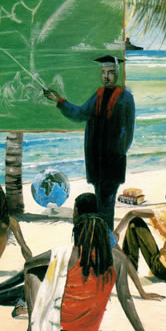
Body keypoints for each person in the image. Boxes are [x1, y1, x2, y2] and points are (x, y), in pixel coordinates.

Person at [0, 193, 164, 313]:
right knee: (26, 275)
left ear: (79, 213)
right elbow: (123, 261)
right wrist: (142, 292)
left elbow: (122, 262)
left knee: (18, 287)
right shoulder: (99, 233)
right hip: (70, 290)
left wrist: (142, 292)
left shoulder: (98, 236)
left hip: (68, 295)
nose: (72, 213)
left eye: (74, 209)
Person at [20, 213, 166, 331]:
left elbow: (28, 264)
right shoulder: (118, 259)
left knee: (33, 274)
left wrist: (53, 270)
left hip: (61, 327)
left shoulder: (68, 253)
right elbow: (126, 298)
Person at [43, 55, 135, 229]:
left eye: (110, 72)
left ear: (116, 74)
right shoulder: (98, 95)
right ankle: (103, 235)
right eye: (103, 72)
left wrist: (116, 153)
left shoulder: (125, 98)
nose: (106, 76)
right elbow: (79, 114)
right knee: (100, 202)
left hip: (112, 162)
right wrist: (59, 101)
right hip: (96, 161)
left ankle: (106, 236)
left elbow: (128, 133)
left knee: (106, 203)